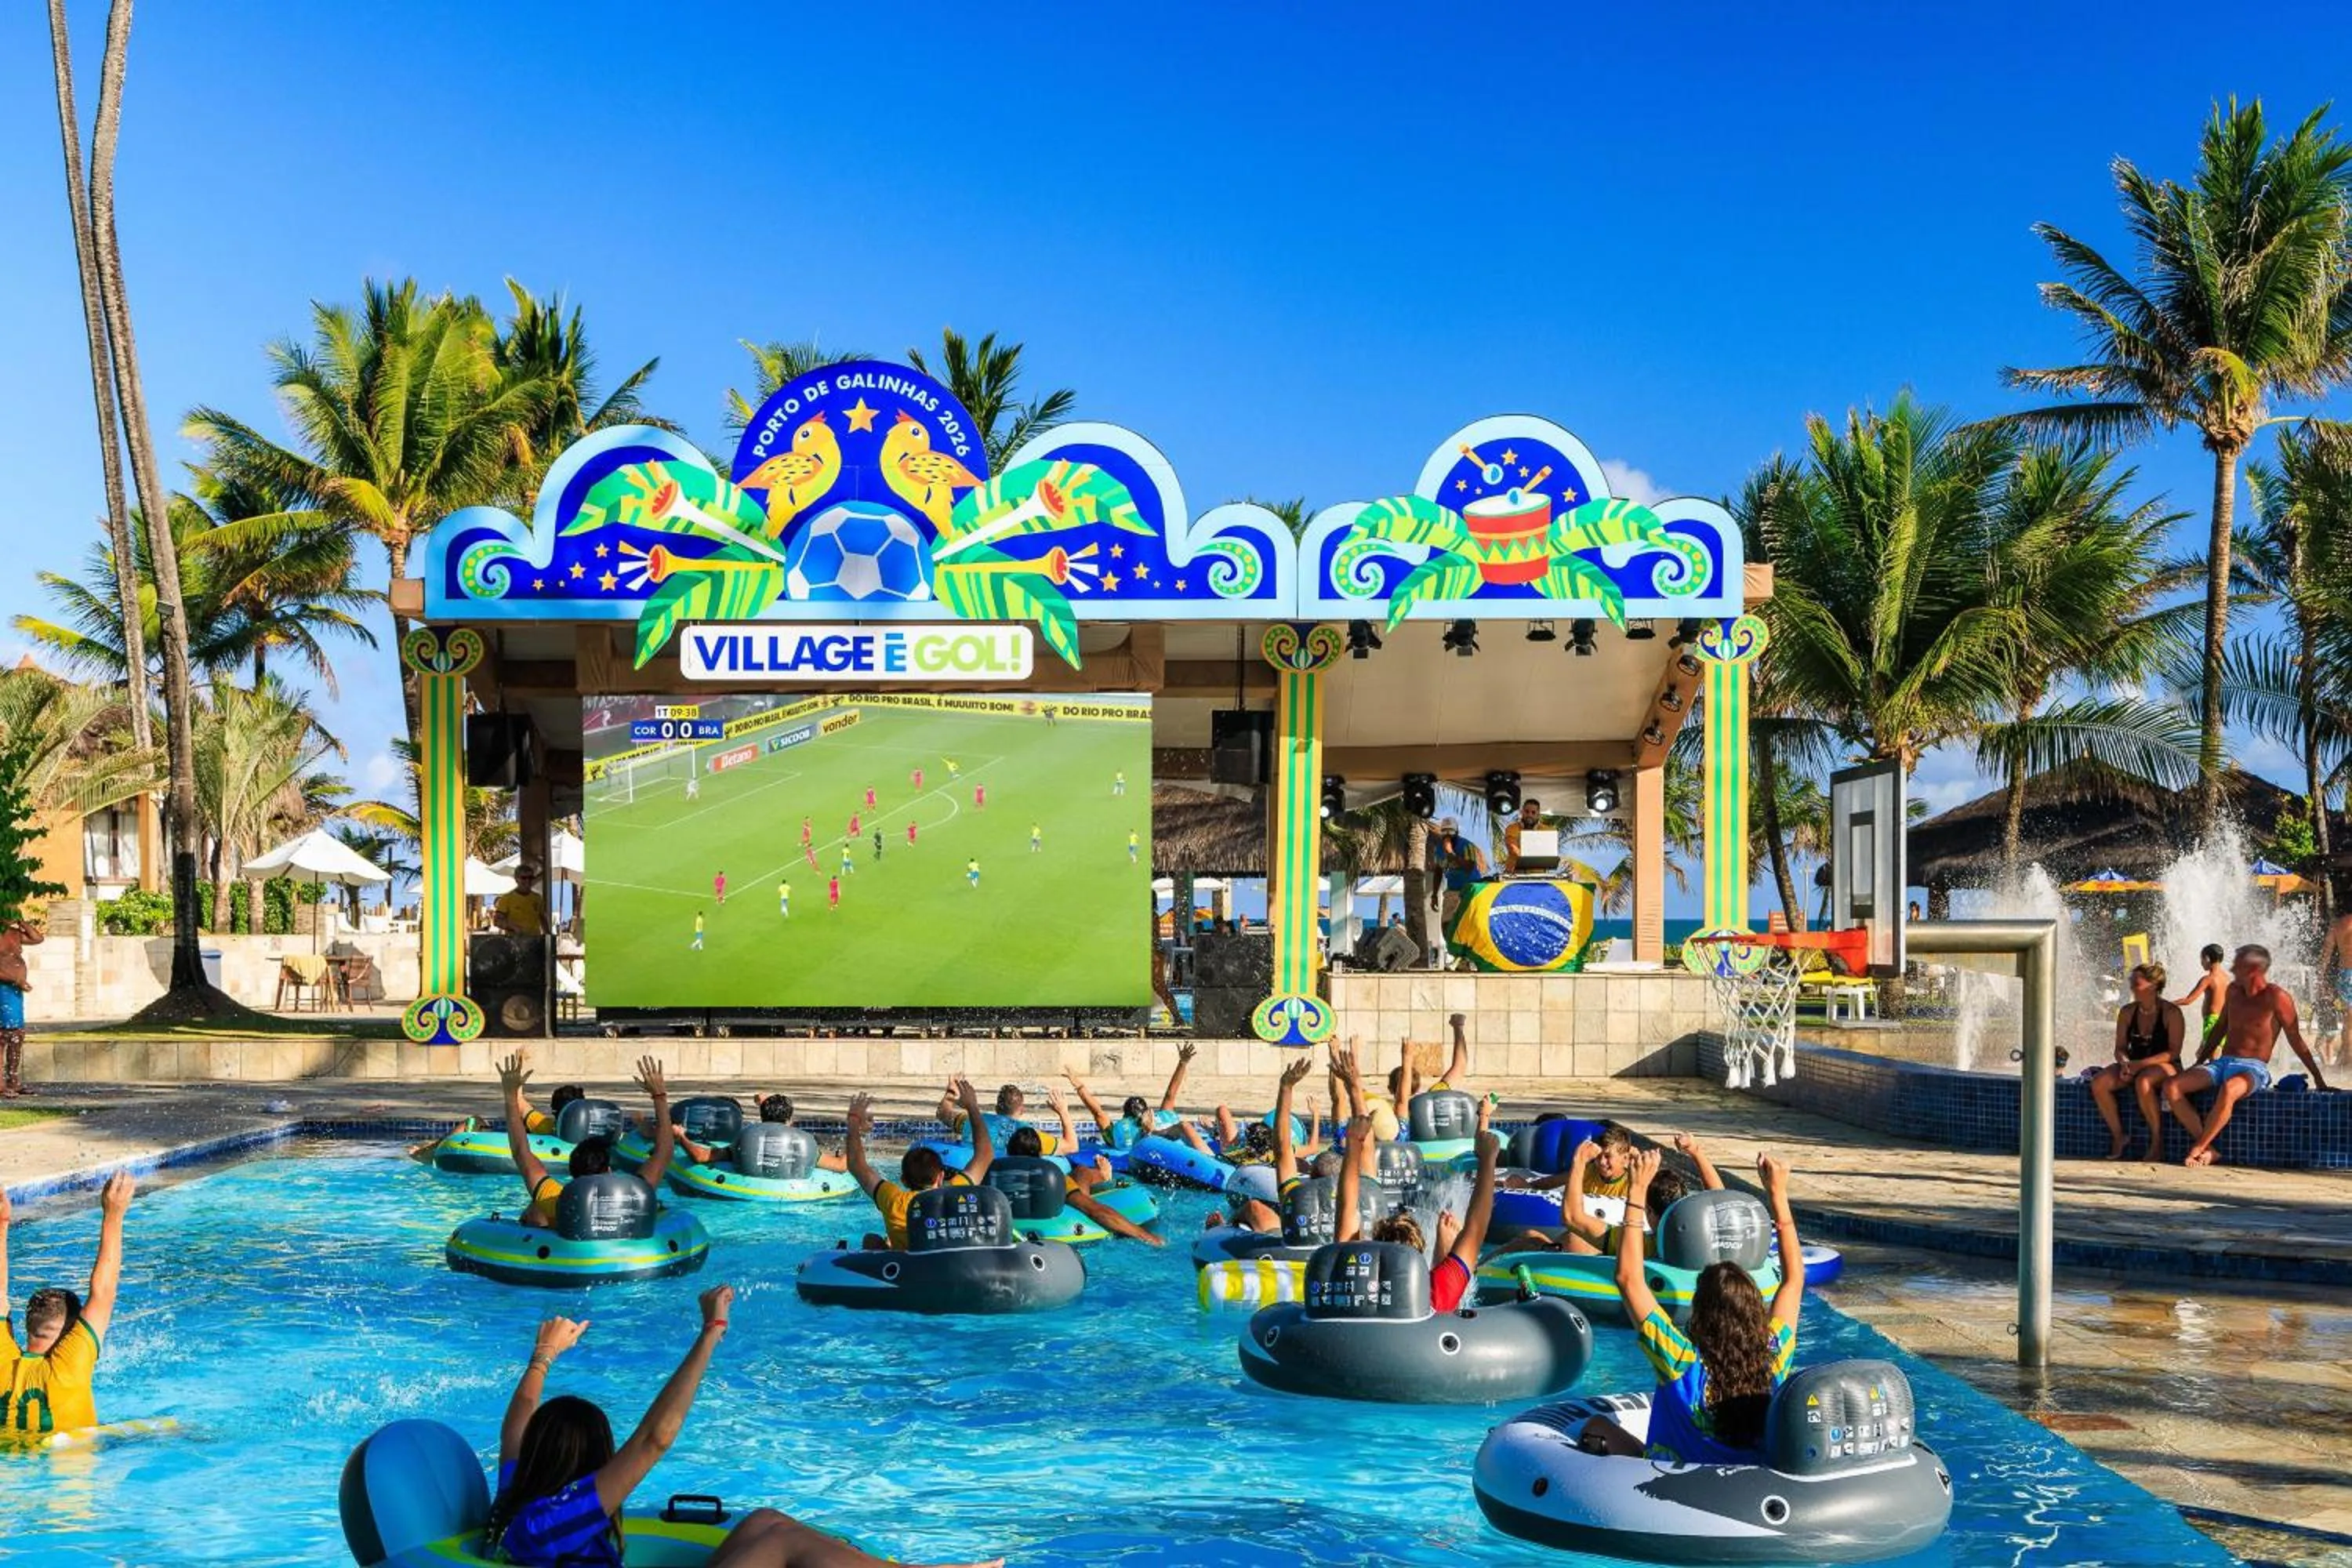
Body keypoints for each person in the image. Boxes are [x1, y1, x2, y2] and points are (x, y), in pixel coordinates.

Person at [486, 1290, 998, 1568]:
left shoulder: (519, 1494)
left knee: (764, 1520)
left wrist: (545, 1354)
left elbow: (520, 1416)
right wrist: (711, 1333)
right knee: (780, 1546)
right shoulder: (546, 1524)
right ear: (593, 1460)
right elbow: (654, 1439)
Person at [1579, 1149, 1806, 1464]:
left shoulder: (1681, 1362)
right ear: (1756, 1310)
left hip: (1676, 1491)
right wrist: (1778, 1194)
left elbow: (1628, 1279)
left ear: (1701, 1315)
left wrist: (1636, 1191)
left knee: (1596, 1427)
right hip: (1754, 1491)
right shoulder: (1775, 1354)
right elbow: (1793, 1281)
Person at [2163, 944, 2333, 1167]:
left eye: (2238, 964)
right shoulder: (2233, 991)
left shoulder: (2277, 997)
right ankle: (2209, 1148)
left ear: (2254, 969)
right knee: (2172, 1087)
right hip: (2222, 1063)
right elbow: (2219, 1029)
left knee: (2230, 1089)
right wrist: (2198, 1061)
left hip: (2253, 1068)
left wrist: (2319, 1079)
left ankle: (2198, 1147)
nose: (2232, 968)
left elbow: (2296, 1040)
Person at [1, 1169, 132, 1437]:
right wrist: (114, 1214)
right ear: (69, 1335)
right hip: (69, 1473)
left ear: (29, 1325)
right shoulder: (70, 1366)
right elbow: (103, 1292)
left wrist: (2, 1224)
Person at [1336, 1104, 1501, 1313]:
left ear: (1375, 1248)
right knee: (1450, 1293)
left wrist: (1352, 1144)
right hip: (1428, 1327)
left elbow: (1346, 1210)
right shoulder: (1435, 1293)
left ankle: (1442, 1256)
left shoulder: (1351, 1285)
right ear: (1418, 1256)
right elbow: (1475, 1228)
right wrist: (1488, 1159)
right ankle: (1442, 1257)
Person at [502, 1051, 675, 1228]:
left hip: (570, 1249)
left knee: (535, 1212)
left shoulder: (559, 1200)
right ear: (608, 1171)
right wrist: (659, 1095)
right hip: (624, 1251)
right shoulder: (635, 1194)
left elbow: (520, 1151)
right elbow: (664, 1152)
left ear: (573, 1176)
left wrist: (510, 1097)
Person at [847, 1080, 994, 1249]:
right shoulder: (954, 1193)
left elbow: (856, 1165)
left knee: (871, 1240)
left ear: (903, 1179)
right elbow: (985, 1154)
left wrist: (853, 1120)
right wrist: (972, 1107)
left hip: (905, 1268)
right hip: (947, 1266)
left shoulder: (894, 1200)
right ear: (941, 1177)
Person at [1004, 1120, 1162, 1245]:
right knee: (1082, 1173)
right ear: (1040, 1155)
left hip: (1012, 1231)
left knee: (1081, 1172)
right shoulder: (1052, 1180)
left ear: (1008, 1154)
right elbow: (1095, 1210)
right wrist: (1145, 1236)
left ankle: (1101, 1176)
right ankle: (1103, 1176)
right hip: (1059, 1232)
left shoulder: (998, 1176)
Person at [2089, 961, 2184, 1160]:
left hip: (2166, 1066)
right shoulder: (2127, 1012)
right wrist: (2124, 1063)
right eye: (2131, 981)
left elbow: (2173, 1053)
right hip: (2134, 1064)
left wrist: (2138, 1066)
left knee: (2144, 1081)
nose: (2131, 986)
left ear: (2153, 986)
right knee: (2099, 1083)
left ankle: (2157, 1141)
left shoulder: (2171, 1013)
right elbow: (2120, 1048)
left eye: (2136, 982)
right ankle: (2119, 1136)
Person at [674, 1093, 848, 1173]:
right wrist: (856, 1130)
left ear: (762, 1116)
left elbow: (701, 1157)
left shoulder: (745, 1138)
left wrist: (681, 1137)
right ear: (790, 1120)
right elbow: (841, 1166)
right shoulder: (806, 1144)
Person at [1065, 1044, 1196, 1150]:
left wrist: (1079, 1086)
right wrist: (1183, 1063)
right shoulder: (1164, 1116)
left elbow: (1098, 1112)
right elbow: (1170, 1094)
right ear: (1147, 1111)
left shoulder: (1116, 1134)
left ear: (1125, 1116)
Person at [0, 914, 43, 1098]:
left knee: (17, 1035)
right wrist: (16, 980)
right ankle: (1, 1086)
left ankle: (14, 1081)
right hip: (3, 989)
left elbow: (38, 938)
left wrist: (22, 922)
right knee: (2, 1035)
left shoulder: (15, 933)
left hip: (15, 991)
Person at [2172, 944, 2230, 1054]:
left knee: (2213, 1058)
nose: (2201, 962)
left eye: (2201, 959)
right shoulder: (2226, 978)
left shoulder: (2208, 979)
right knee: (2200, 1055)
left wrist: (2168, 1003)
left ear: (2207, 959)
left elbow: (2188, 1000)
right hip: (2222, 1020)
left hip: (2212, 1023)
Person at [494, 867, 549, 937]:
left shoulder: (537, 898)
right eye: (524, 878)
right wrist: (513, 927)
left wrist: (548, 935)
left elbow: (542, 918)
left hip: (534, 940)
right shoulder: (507, 898)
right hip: (514, 941)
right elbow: (497, 921)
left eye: (530, 878)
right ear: (516, 879)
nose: (527, 881)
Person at [1500, 797, 1548, 873]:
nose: (1529, 815)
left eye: (1533, 813)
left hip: (1539, 875)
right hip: (1515, 874)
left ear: (1538, 815)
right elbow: (1512, 847)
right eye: (1527, 812)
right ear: (1522, 812)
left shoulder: (1546, 830)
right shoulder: (1513, 828)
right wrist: (1529, 860)